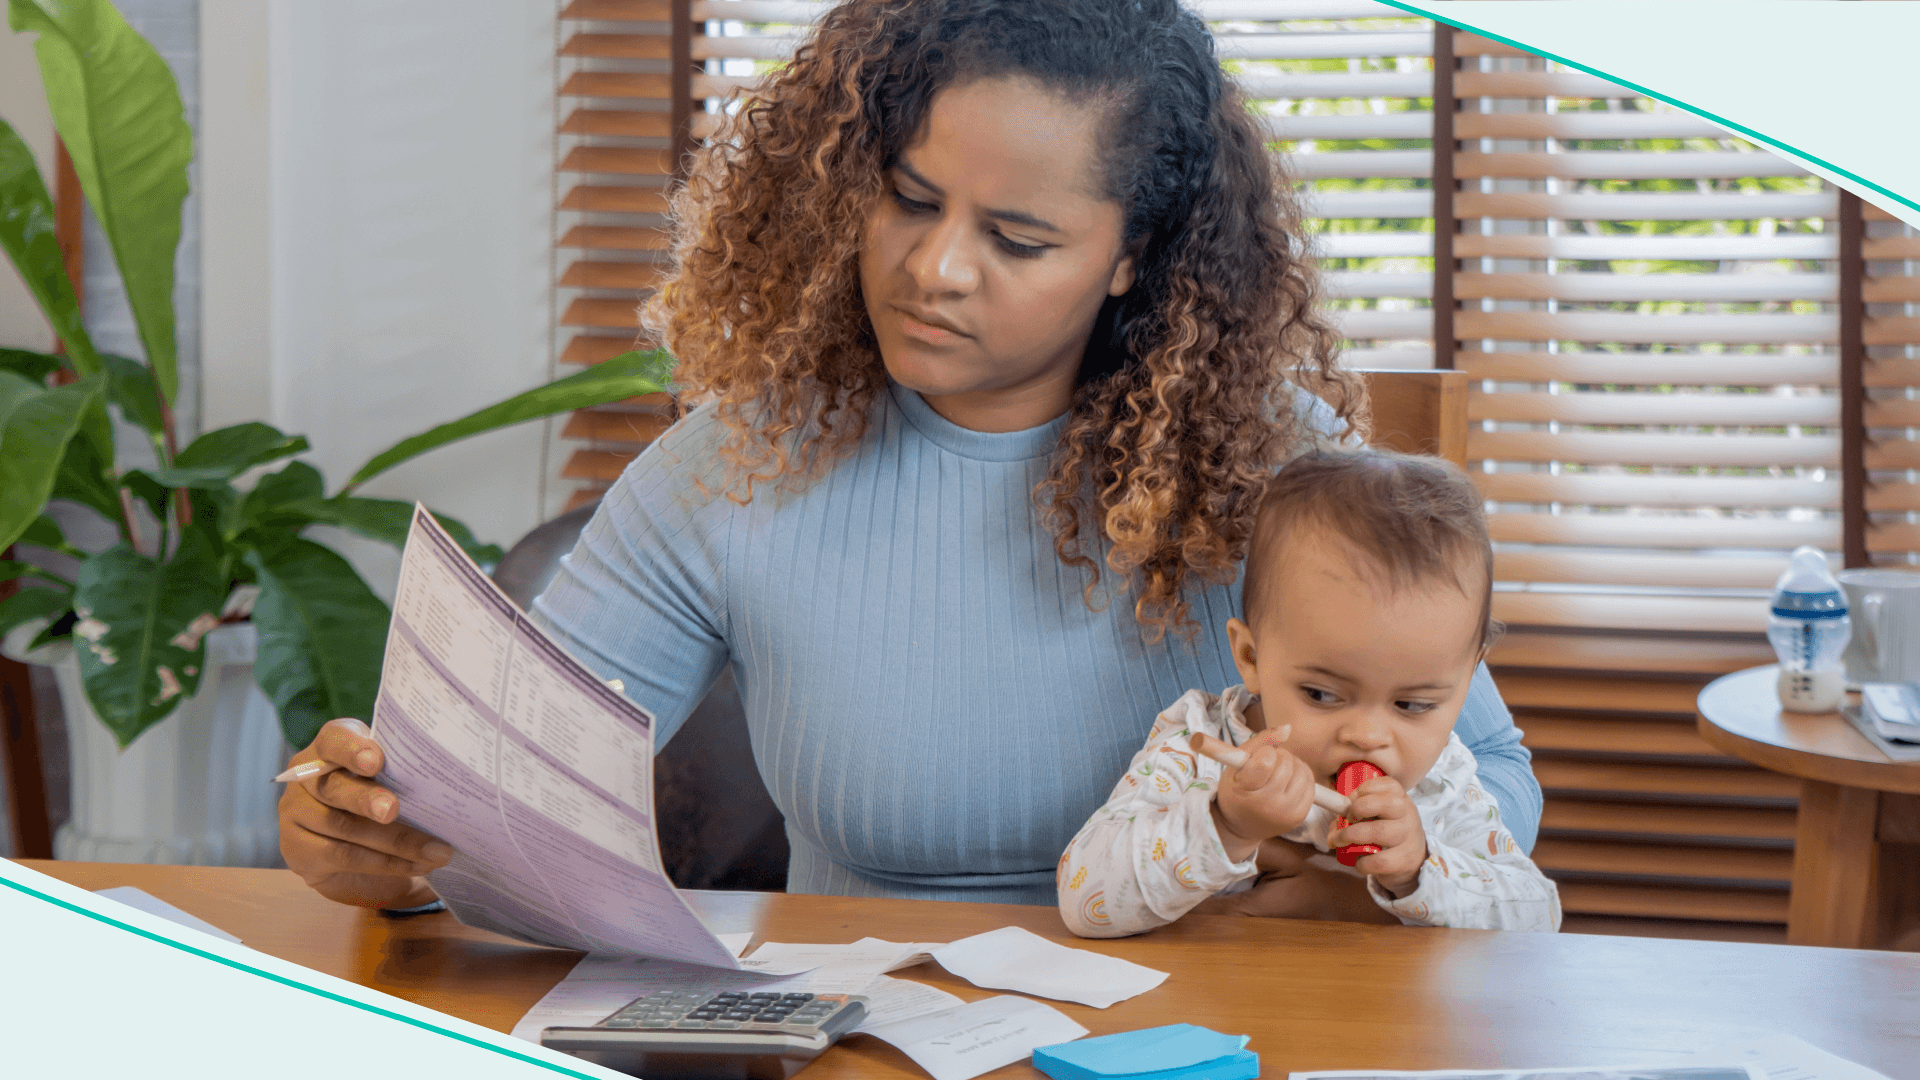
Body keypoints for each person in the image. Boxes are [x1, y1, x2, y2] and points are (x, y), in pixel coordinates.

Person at [275, 0, 1541, 915]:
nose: (935, 268)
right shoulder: (735, 467)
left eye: (1020, 237)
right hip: (874, 1041)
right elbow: (500, 802)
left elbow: (1491, 784)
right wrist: (385, 852)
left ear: (1133, 257)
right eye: (911, 197)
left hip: (1235, 1022)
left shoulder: (1277, 468)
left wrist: (1377, 853)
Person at [1058, 449, 1560, 937]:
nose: (1366, 737)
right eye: (1321, 694)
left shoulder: (1441, 782)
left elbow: (1538, 918)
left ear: (1469, 680)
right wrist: (1226, 824)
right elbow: (1084, 904)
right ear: (1251, 658)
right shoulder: (1199, 748)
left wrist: (1419, 869)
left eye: (1411, 705)